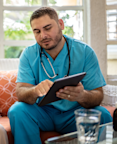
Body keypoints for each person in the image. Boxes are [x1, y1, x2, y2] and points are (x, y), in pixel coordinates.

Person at [8, 7, 112, 144]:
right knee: (17, 110)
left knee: (103, 114)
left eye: (47, 28)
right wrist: (34, 90)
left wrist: (82, 95)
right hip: (42, 112)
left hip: (74, 113)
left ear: (61, 24)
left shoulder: (85, 52)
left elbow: (98, 95)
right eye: (37, 31)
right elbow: (21, 92)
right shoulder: (28, 54)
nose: (43, 35)